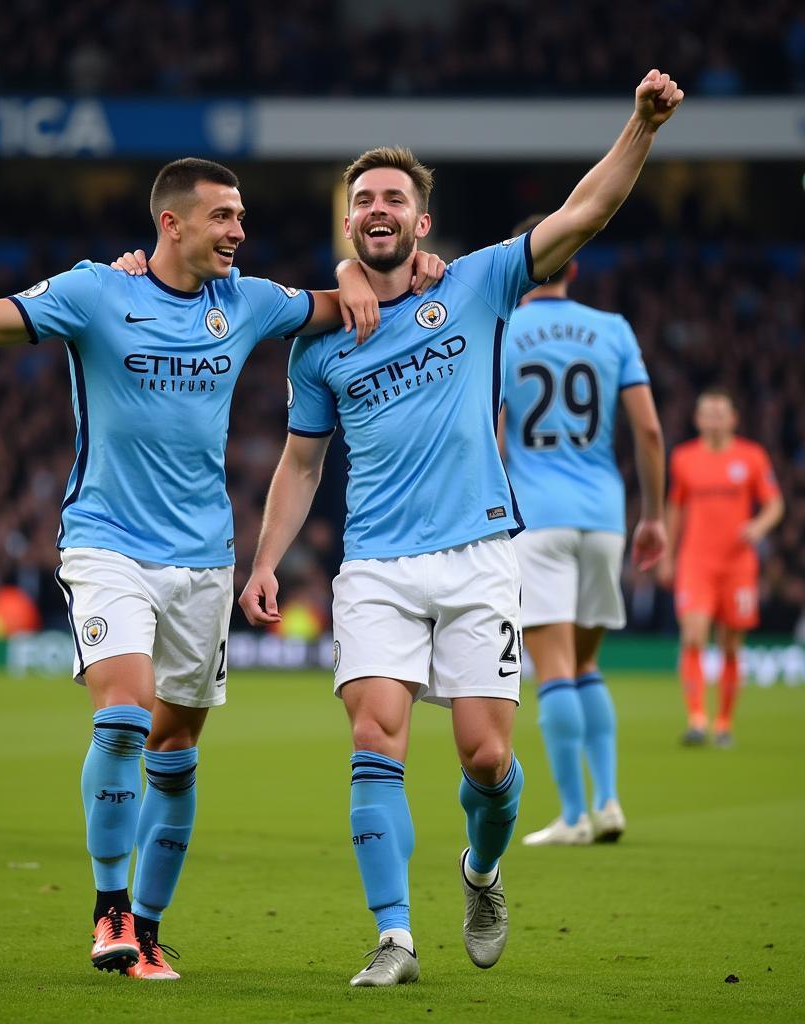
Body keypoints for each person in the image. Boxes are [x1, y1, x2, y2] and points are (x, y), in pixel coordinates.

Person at [0, 157, 443, 981]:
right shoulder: (93, 293)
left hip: (203, 560)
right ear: (171, 224)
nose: (239, 231)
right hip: (107, 540)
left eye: (242, 217)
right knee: (123, 712)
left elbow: (362, 297)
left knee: (177, 748)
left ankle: (147, 929)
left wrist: (366, 267)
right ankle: (109, 909)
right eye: (223, 217)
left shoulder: (248, 302)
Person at [239, 69, 683, 987]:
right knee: (376, 740)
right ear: (349, 222)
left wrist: (639, 127)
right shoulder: (319, 342)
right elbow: (303, 461)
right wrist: (267, 559)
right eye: (362, 199)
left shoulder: (480, 284)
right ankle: (394, 937)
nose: (377, 208)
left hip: (482, 554)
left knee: (487, 758)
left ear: (422, 222)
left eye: (394, 197)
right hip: (375, 567)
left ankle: (481, 871)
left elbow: (583, 214)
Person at [498, 220, 666, 846]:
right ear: (572, 266)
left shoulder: (505, 329)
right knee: (589, 662)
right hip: (604, 516)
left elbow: (495, 426)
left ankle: (572, 817)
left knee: (556, 669)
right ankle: (611, 800)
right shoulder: (613, 329)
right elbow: (648, 432)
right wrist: (654, 514)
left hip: (535, 515)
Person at [658, 387, 783, 747]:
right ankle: (697, 718)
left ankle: (724, 723)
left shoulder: (752, 457)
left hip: (737, 565)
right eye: (706, 413)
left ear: (733, 418)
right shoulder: (683, 458)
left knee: (730, 645)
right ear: (697, 419)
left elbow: (775, 505)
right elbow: (675, 508)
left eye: (719, 412)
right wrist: (668, 555)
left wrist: (759, 526)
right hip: (696, 561)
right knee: (694, 636)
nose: (713, 419)